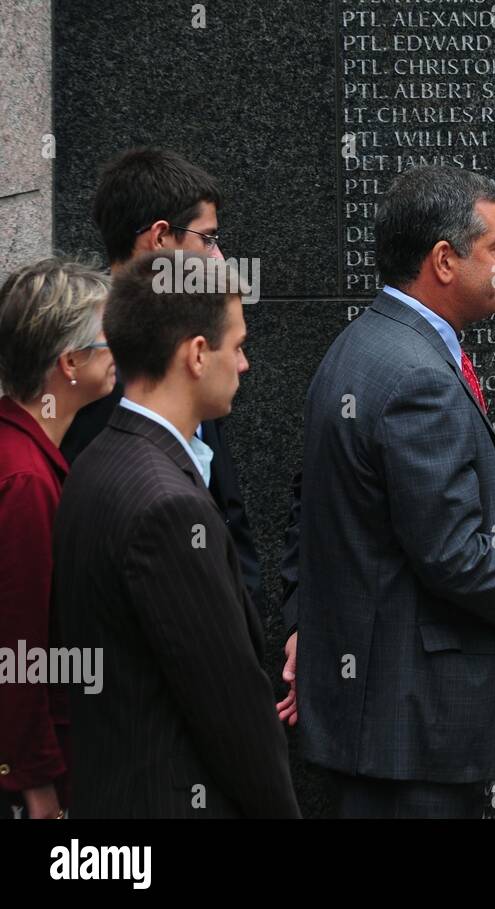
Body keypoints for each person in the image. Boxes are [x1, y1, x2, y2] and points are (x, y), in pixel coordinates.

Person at [294, 165, 495, 818]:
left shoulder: (363, 345)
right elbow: (451, 555)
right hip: (416, 730)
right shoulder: (417, 378)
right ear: (444, 259)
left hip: (389, 723)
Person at [52, 252, 298, 818]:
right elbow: (230, 708)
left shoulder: (95, 461)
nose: (245, 363)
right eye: (236, 345)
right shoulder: (168, 507)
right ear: (195, 354)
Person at [60, 147, 260, 606]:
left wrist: (245, 601)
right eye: (207, 239)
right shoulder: (87, 368)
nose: (219, 255)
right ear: (160, 238)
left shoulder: (195, 336)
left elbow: (225, 503)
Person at [0, 259, 114, 819]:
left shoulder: (24, 455)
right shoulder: (24, 479)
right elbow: (17, 652)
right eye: (106, 339)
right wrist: (38, 786)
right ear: (70, 362)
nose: (119, 350)